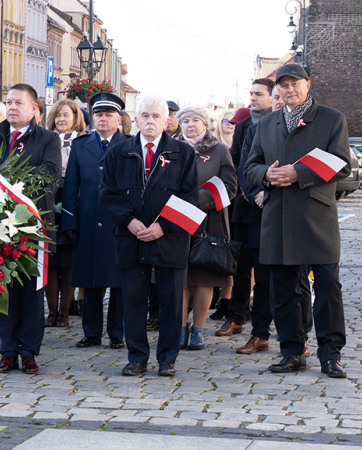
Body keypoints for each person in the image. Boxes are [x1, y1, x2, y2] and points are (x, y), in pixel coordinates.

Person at [244, 63, 351, 378]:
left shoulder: (332, 119)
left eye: (295, 84)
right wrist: (267, 174)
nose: (289, 90)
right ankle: (292, 352)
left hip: (316, 217)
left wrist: (298, 173)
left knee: (328, 288)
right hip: (278, 217)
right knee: (285, 291)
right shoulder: (267, 124)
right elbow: (249, 166)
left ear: (308, 85)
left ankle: (330, 354)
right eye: (283, 85)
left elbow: (343, 164)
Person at [100, 94, 199, 378]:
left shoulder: (183, 153)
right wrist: (129, 221)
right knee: (133, 300)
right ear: (137, 118)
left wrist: (163, 226)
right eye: (145, 115)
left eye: (156, 116)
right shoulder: (119, 152)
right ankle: (137, 358)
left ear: (167, 120)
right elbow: (107, 193)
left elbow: (190, 196)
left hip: (170, 238)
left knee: (170, 301)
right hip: (131, 236)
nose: (150, 121)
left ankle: (167, 359)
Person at [0, 83, 61, 375]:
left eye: (19, 103)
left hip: (33, 227)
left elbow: (50, 174)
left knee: (31, 293)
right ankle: (8, 352)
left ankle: (29, 352)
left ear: (34, 109)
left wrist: (9, 177)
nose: (12, 107)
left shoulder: (48, 138)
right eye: (8, 102)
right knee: (3, 288)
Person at [236, 117, 314, 356]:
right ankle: (259, 334)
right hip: (263, 213)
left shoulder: (308, 128)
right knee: (263, 279)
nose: (280, 100)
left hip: (297, 214)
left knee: (299, 280)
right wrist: (259, 192)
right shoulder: (257, 130)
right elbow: (246, 167)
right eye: (277, 96)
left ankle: (300, 336)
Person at [62, 92, 126, 349]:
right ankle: (91, 332)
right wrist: (70, 223)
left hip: (119, 223)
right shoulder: (80, 145)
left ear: (118, 119)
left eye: (108, 114)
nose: (102, 119)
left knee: (119, 282)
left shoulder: (129, 144)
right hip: (87, 221)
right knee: (90, 281)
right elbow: (70, 188)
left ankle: (116, 333)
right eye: (98, 114)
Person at [176, 105, 237, 350]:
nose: (190, 125)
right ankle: (180, 328)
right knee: (179, 277)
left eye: (196, 120)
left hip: (208, 220)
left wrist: (198, 200)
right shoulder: (170, 148)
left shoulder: (219, 150)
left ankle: (198, 329)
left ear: (205, 124)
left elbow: (230, 187)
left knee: (203, 278)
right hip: (176, 219)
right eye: (186, 121)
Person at [217, 79, 274, 331]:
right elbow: (237, 161)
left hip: (270, 205)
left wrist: (265, 191)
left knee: (264, 270)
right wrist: (248, 190)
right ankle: (237, 317)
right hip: (243, 204)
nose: (253, 98)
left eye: (258, 94)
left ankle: (263, 322)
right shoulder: (243, 126)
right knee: (241, 266)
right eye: (251, 93)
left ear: (273, 97)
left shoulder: (280, 123)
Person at [43, 99, 86, 327]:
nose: (61, 119)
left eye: (66, 115)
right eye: (58, 115)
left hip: (73, 202)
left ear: (74, 117)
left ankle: (64, 312)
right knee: (50, 260)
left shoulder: (82, 142)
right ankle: (51, 312)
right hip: (48, 200)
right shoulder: (46, 140)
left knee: (68, 261)